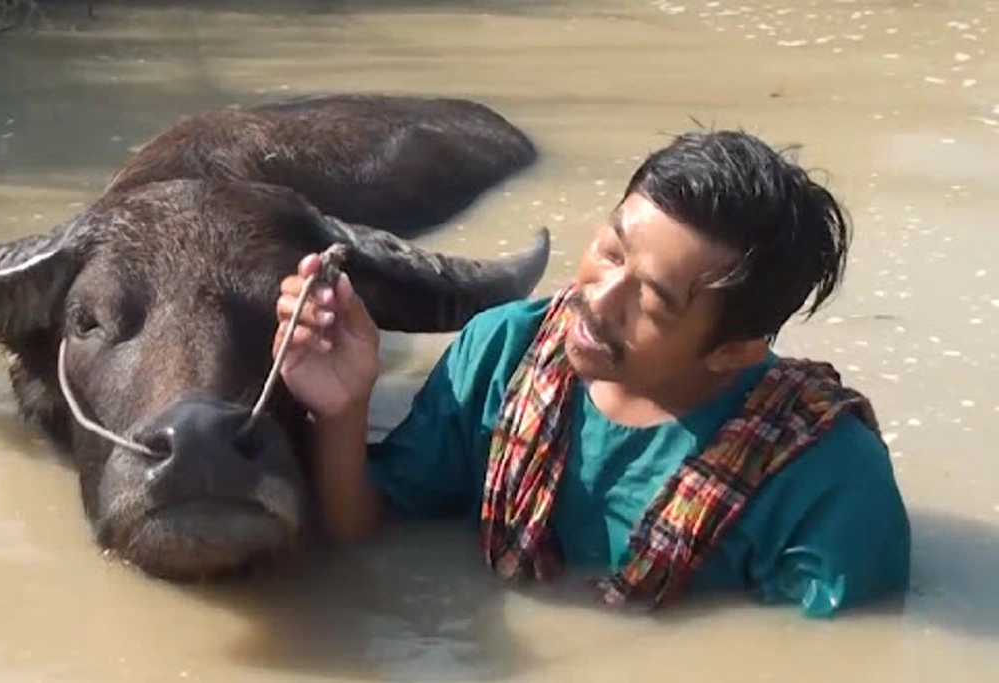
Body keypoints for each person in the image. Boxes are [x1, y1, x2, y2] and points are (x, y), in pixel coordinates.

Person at [271, 129, 911, 618]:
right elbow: (365, 537)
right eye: (610, 251)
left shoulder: (831, 486)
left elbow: (838, 656)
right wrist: (343, 408)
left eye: (654, 301)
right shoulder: (504, 351)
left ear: (733, 351)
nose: (598, 299)